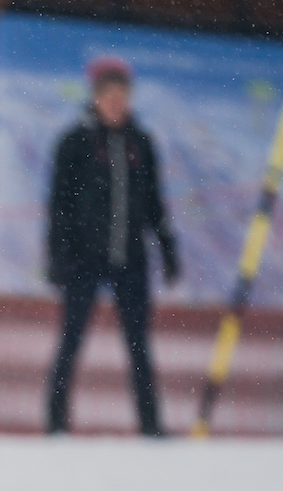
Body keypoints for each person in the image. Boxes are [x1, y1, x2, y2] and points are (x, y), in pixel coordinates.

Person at [45, 57, 179, 437]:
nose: (116, 103)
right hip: (84, 260)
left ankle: (151, 427)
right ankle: (55, 425)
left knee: (139, 346)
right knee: (70, 340)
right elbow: (60, 207)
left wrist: (167, 249)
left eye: (122, 96)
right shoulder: (75, 142)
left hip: (131, 259)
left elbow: (155, 203)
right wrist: (59, 256)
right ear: (96, 98)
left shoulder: (141, 143)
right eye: (109, 96)